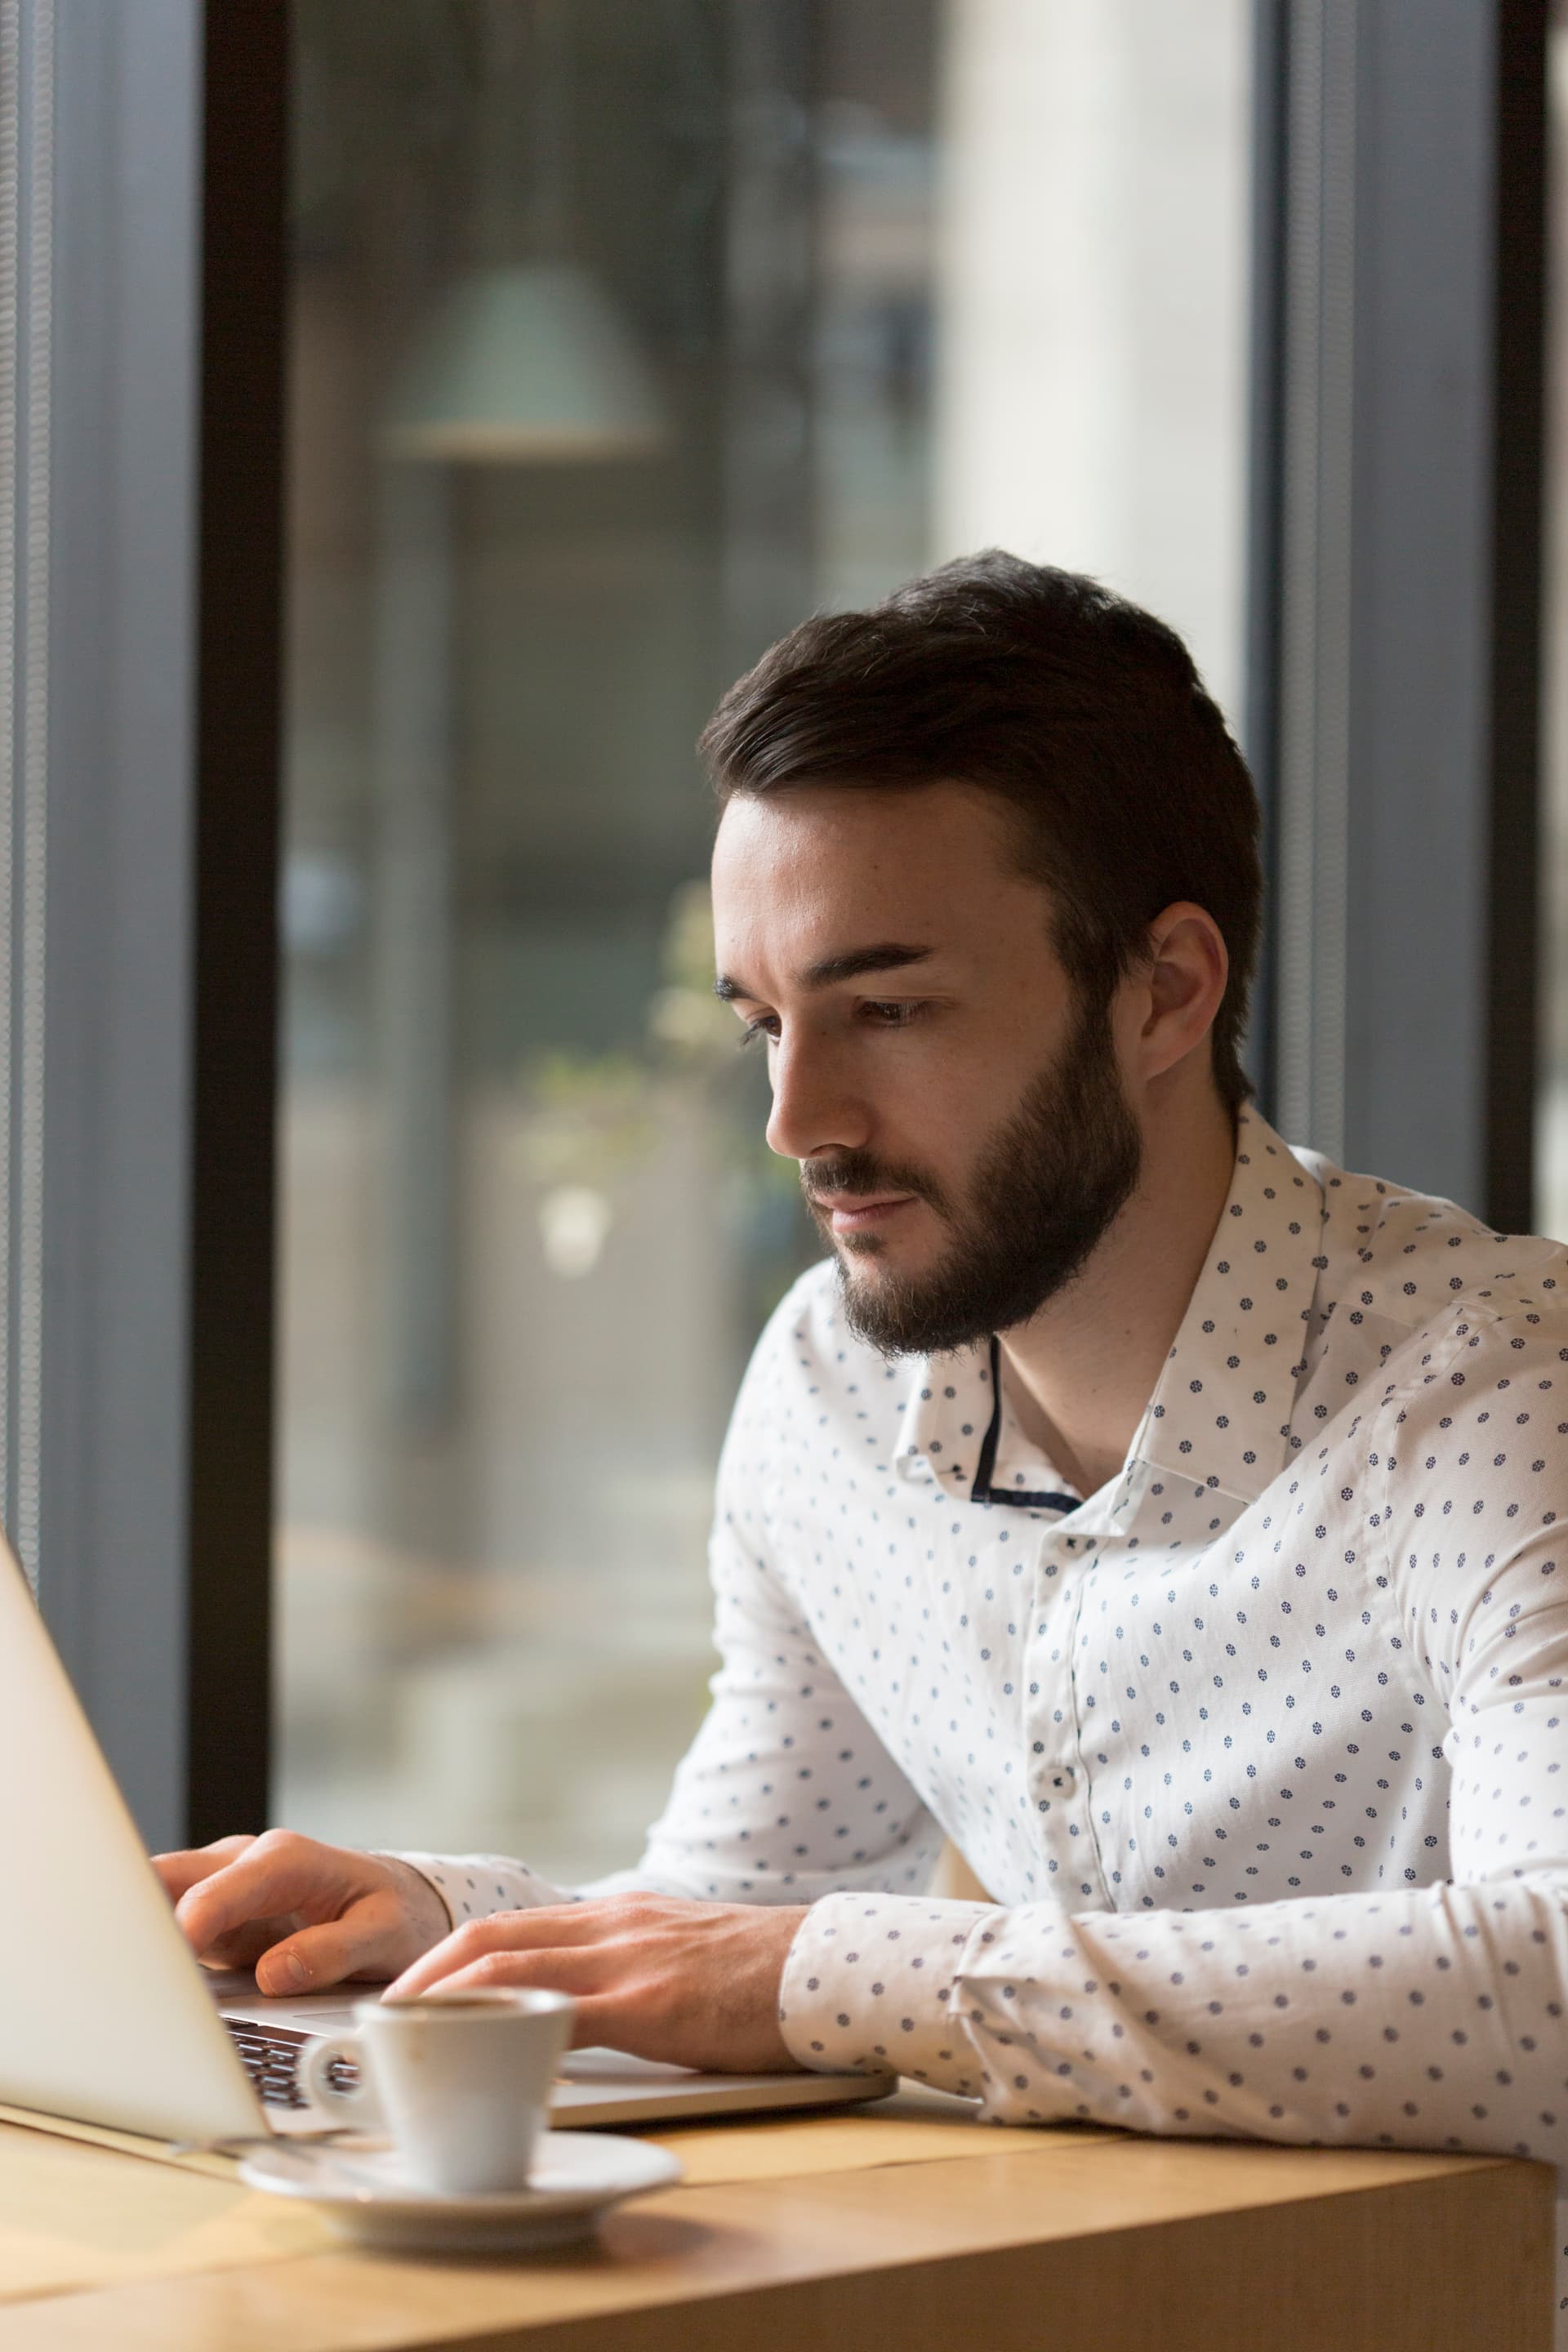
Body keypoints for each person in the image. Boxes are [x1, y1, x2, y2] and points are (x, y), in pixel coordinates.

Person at [159, 554, 1568, 2311]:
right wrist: (452, 1929)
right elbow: (755, 1909)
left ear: (1165, 994)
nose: (797, 1120)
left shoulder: (1503, 1385)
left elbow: (1556, 1987)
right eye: (767, 1022)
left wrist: (828, 1973)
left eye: (888, 1010)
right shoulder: (830, 1383)